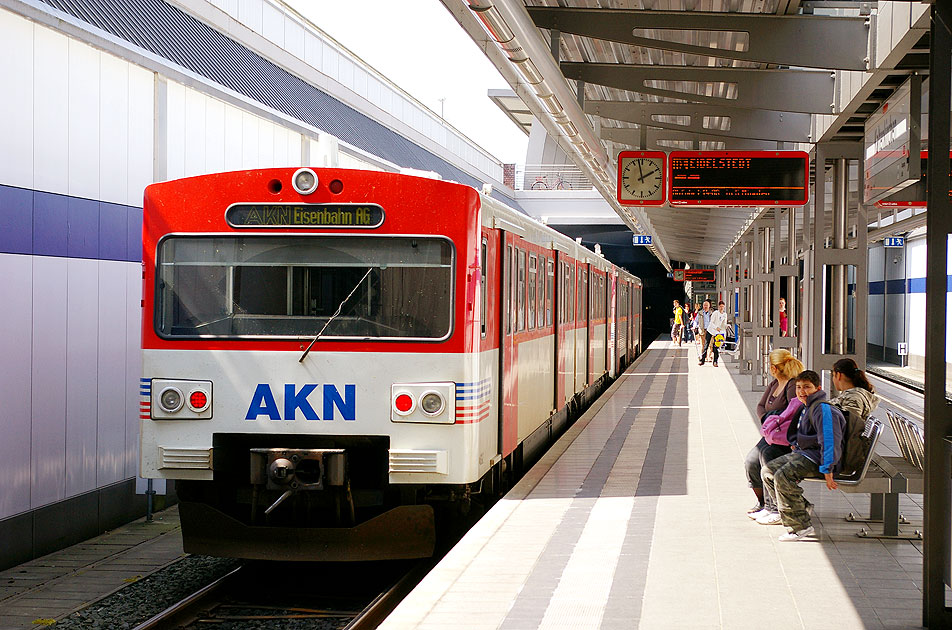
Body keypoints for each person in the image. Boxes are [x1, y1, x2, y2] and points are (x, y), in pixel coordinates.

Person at [762, 370, 847, 541]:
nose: (801, 392)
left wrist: (828, 470)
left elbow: (830, 441)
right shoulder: (806, 406)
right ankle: (801, 508)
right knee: (768, 471)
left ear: (818, 388)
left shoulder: (822, 409)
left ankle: (800, 526)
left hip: (819, 458)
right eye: (799, 387)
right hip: (806, 453)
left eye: (807, 387)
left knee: (783, 475)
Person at [744, 350, 805, 519]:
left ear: (774, 367)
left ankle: (774, 505)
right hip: (771, 433)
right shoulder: (774, 384)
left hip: (784, 437)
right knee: (750, 461)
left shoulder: (792, 385)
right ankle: (763, 502)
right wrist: (768, 419)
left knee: (766, 457)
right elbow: (760, 406)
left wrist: (774, 419)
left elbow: (792, 412)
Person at [700, 300, 728, 367]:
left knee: (716, 347)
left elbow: (724, 324)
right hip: (711, 330)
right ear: (718, 307)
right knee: (706, 345)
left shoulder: (725, 314)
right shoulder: (715, 313)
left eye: (722, 307)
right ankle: (702, 360)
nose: (721, 308)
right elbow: (711, 322)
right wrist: (716, 327)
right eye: (720, 306)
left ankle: (715, 361)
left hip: (718, 333)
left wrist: (727, 326)